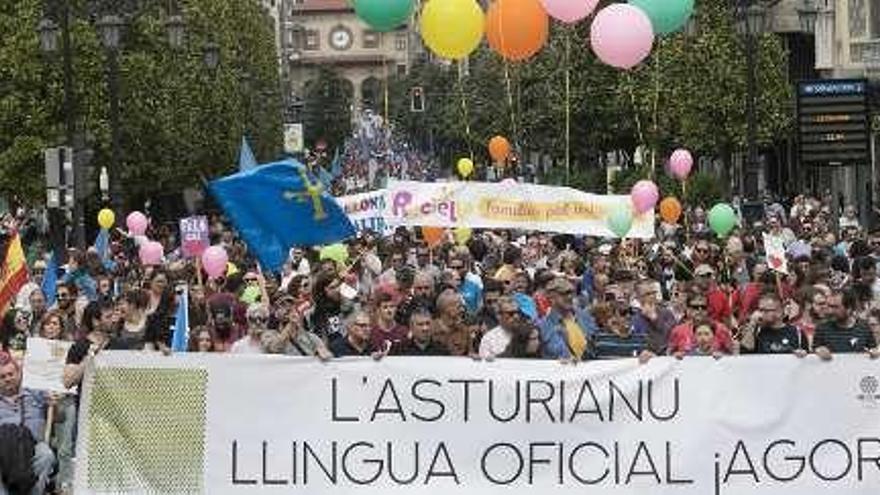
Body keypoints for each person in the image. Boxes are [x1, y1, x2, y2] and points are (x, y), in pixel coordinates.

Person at [0, 352, 57, 495]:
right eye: (2, 377)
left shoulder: (35, 392)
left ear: (19, 374)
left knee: (46, 455)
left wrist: (54, 405)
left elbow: (59, 418)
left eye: (10, 374)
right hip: (4, 449)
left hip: (34, 446)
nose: (7, 379)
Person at [538, 278, 598, 361]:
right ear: (551, 298)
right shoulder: (544, 325)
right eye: (563, 294)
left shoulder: (585, 317)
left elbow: (596, 343)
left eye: (571, 293)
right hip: (562, 372)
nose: (569, 297)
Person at [813, 290, 879, 360]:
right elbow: (812, 354)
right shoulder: (822, 329)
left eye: (835, 307)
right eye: (829, 306)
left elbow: (873, 351)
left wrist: (874, 353)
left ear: (849, 308)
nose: (830, 311)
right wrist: (819, 351)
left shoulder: (864, 328)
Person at [667, 293, 735, 357]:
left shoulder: (721, 329)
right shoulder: (677, 331)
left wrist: (723, 355)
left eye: (703, 307)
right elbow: (668, 355)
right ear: (688, 309)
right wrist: (675, 355)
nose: (700, 310)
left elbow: (733, 354)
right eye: (695, 307)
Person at [743, 294, 808, 356]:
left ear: (779, 312)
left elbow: (807, 358)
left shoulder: (797, 332)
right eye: (760, 310)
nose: (761, 314)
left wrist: (802, 353)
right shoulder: (756, 330)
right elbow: (746, 350)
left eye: (765, 310)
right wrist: (752, 323)